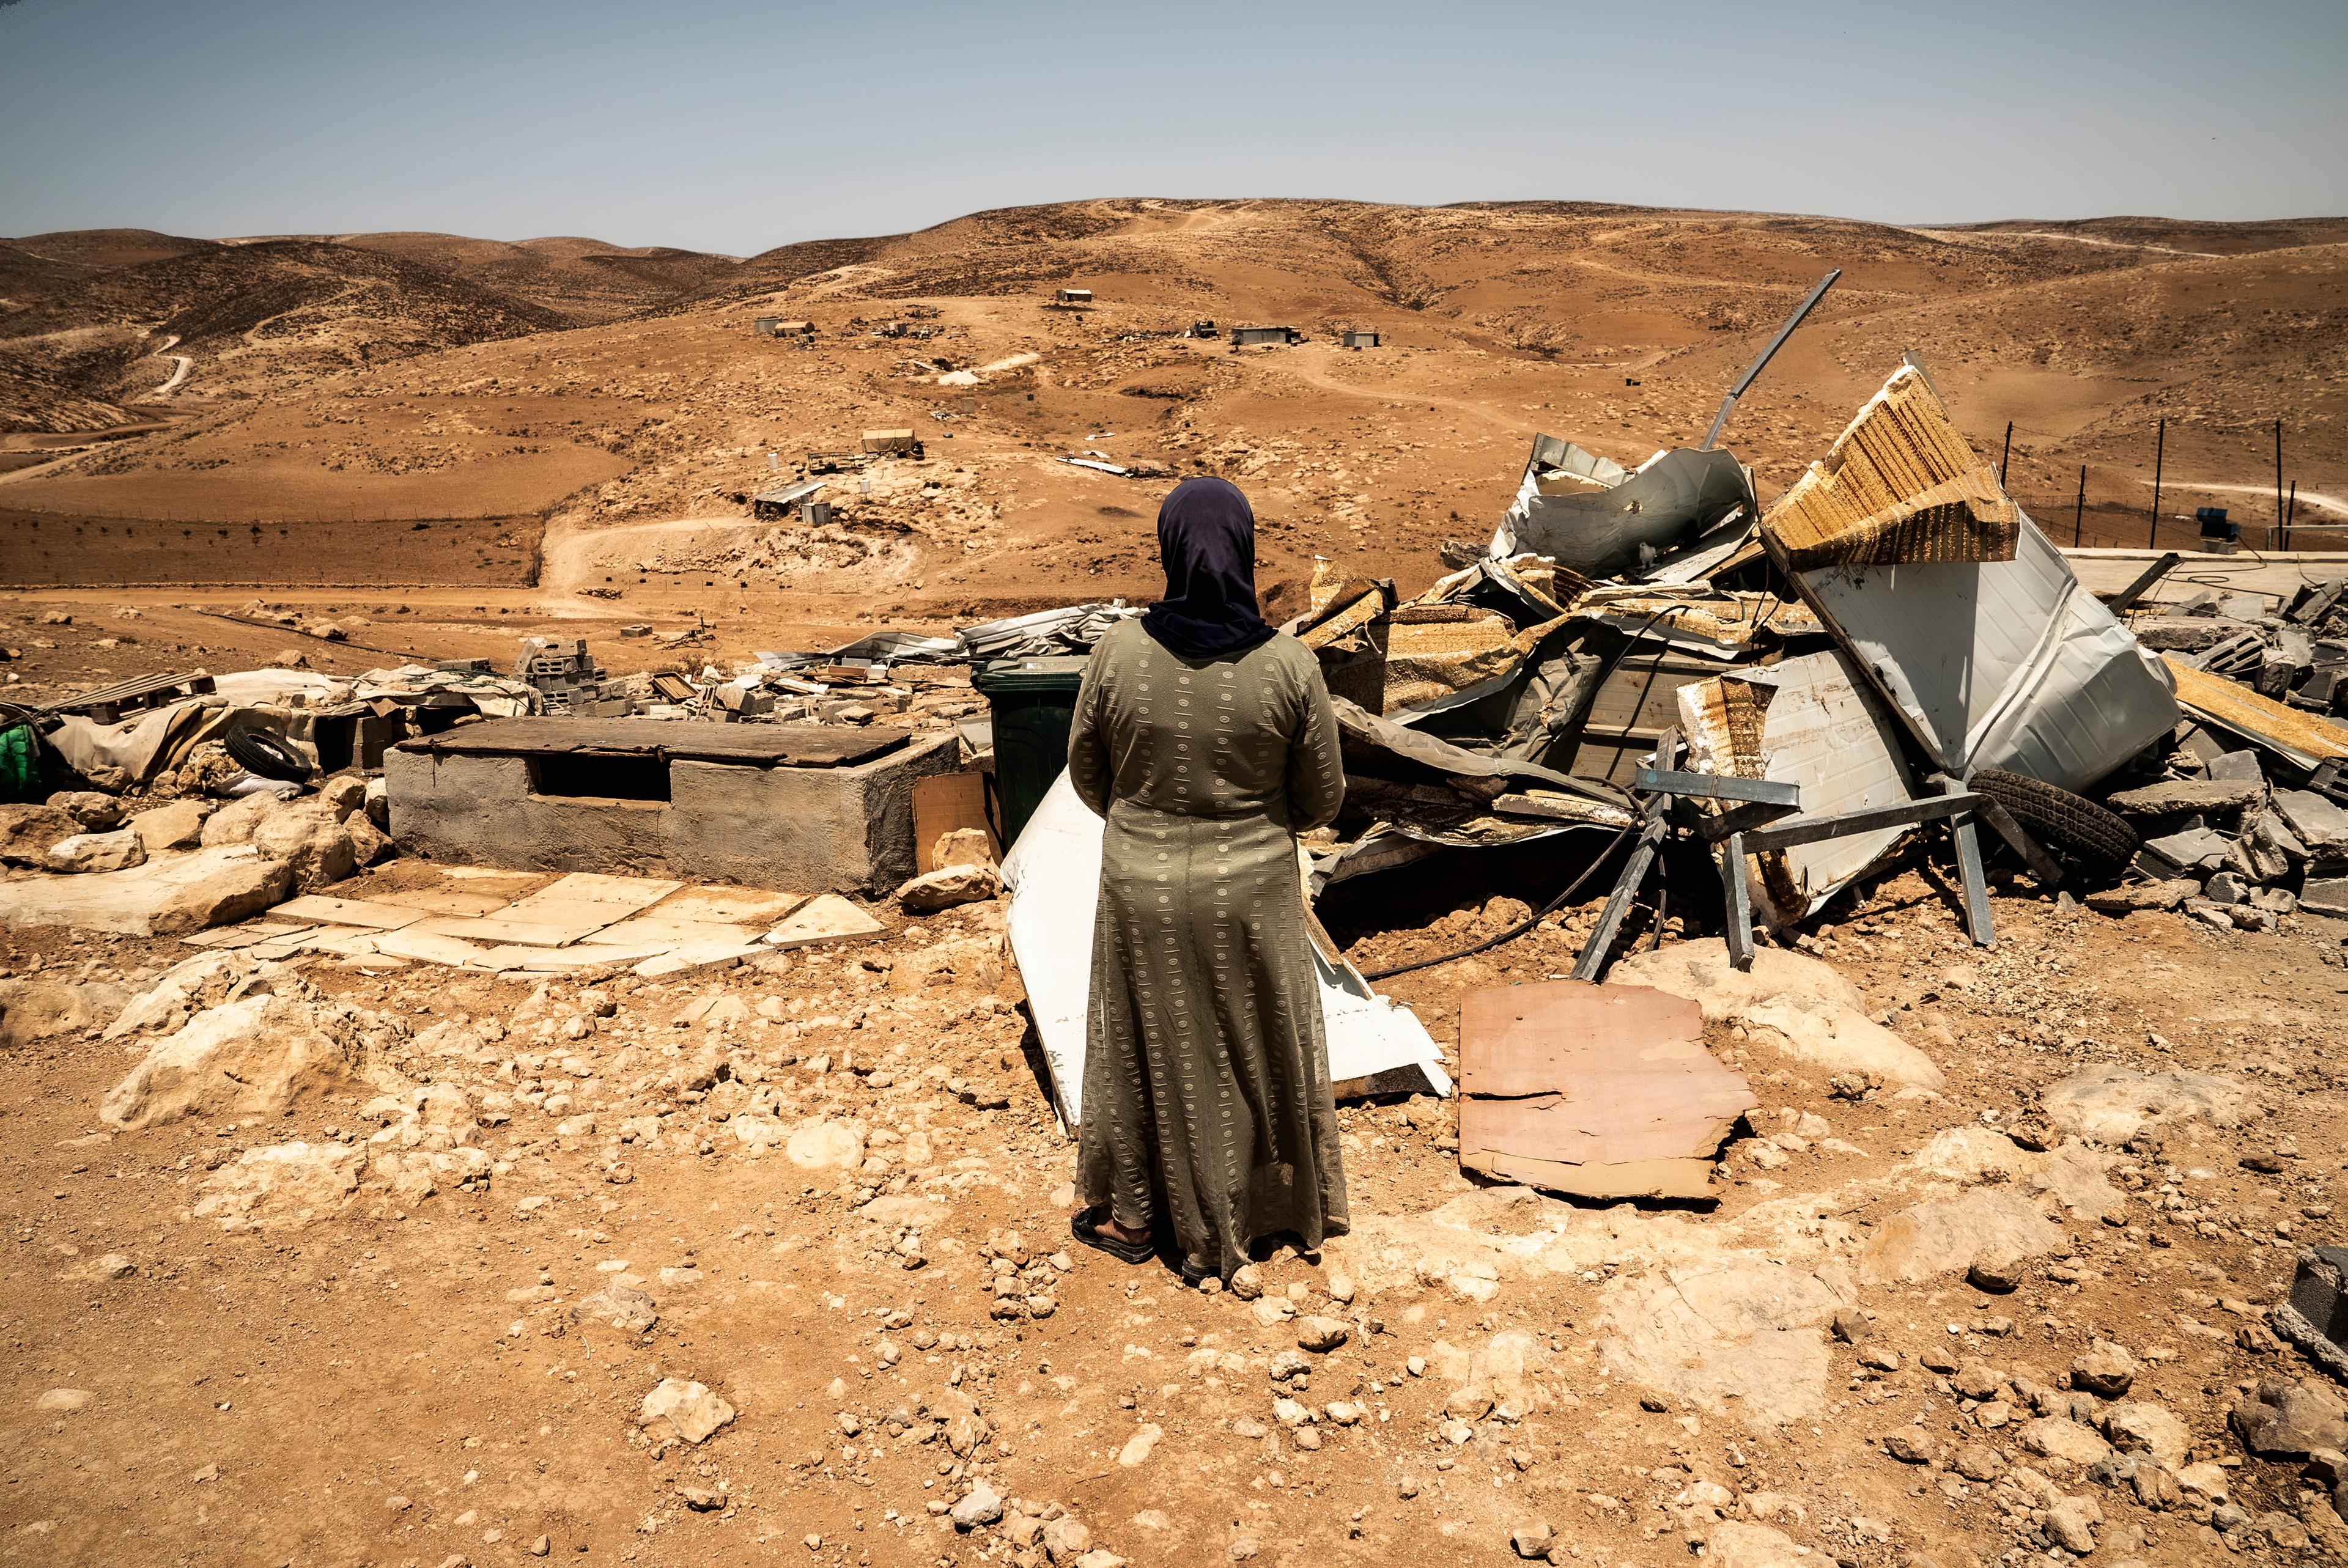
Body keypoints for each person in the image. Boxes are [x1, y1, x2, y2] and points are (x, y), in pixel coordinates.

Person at [1063, 475, 1349, 1284]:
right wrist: (1256, 817)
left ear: (1170, 550)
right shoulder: (1290, 666)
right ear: (1246, 551)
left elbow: (1087, 776)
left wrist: (1144, 815)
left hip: (1140, 886)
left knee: (1139, 1047)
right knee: (1247, 1052)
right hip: (1250, 887)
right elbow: (1323, 795)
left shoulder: (1117, 653)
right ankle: (1257, 1214)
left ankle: (1133, 1215)